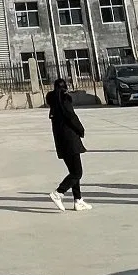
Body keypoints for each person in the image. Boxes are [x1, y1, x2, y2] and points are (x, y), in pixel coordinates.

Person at [47, 75, 90, 211]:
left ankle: (78, 200)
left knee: (73, 171)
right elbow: (72, 117)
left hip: (61, 142)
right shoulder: (64, 100)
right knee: (77, 172)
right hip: (71, 140)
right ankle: (58, 193)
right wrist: (81, 129)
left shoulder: (53, 104)